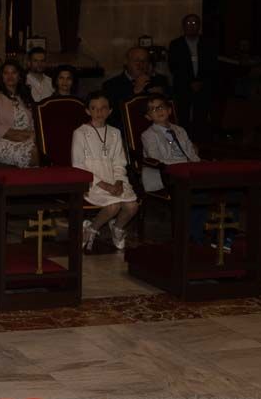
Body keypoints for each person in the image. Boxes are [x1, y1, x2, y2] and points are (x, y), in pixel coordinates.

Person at [140, 98, 237, 249]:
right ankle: (195, 237)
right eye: (153, 109)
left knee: (229, 189)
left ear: (169, 110)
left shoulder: (180, 130)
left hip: (190, 170)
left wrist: (200, 166)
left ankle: (224, 236)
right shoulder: (148, 135)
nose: (159, 110)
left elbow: (191, 155)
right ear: (148, 117)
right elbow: (157, 159)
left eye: (161, 107)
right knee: (198, 193)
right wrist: (186, 166)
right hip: (165, 174)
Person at [73, 91, 140, 251]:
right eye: (94, 108)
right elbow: (79, 165)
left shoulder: (115, 133)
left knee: (132, 206)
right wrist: (105, 185)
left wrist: (118, 181)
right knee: (113, 206)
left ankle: (117, 228)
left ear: (110, 111)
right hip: (92, 181)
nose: (99, 112)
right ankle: (92, 228)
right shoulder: (80, 133)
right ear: (88, 111)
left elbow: (119, 161)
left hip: (114, 179)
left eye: (103, 108)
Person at [167, 14, 217, 138]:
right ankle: (184, 141)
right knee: (183, 116)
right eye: (189, 23)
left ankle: (201, 142)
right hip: (183, 86)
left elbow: (212, 65)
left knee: (201, 116)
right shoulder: (176, 44)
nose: (191, 26)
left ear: (199, 26)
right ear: (183, 26)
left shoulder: (208, 43)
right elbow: (174, 67)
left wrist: (200, 81)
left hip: (203, 86)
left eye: (194, 23)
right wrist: (190, 82)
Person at [102, 46, 169, 132]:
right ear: (126, 62)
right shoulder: (111, 85)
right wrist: (135, 91)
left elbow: (172, 108)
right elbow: (112, 117)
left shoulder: (159, 80)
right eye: (136, 60)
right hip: (128, 132)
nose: (141, 64)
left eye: (144, 61)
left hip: (158, 131)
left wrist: (163, 96)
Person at [0, 60, 37, 167]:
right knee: (35, 153)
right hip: (4, 142)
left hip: (29, 140)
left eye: (14, 72)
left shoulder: (25, 97)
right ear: (2, 76)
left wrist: (32, 137)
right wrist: (24, 135)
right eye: (6, 73)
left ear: (19, 76)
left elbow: (33, 123)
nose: (10, 76)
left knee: (45, 150)